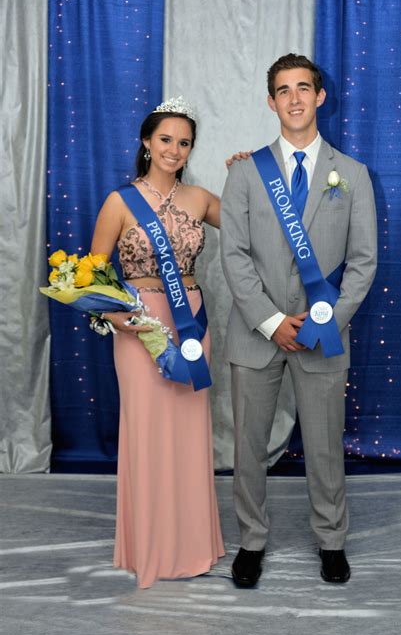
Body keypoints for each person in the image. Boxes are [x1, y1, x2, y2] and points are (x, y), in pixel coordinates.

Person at [220, 54, 377, 586]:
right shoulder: (244, 171)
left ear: (320, 96)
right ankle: (251, 540)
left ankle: (331, 540)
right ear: (270, 101)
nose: (294, 99)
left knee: (326, 444)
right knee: (249, 446)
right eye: (283, 90)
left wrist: (319, 323)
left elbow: (363, 262)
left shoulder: (352, 174)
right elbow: (235, 255)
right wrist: (270, 320)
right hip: (256, 333)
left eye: (303, 88)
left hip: (322, 334)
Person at [91, 97, 224, 588]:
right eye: (165, 139)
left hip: (191, 325)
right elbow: (92, 275)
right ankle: (148, 547)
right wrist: (115, 316)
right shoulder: (119, 201)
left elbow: (254, 228)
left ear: (190, 150)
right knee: (147, 435)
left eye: (184, 142)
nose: (174, 149)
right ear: (147, 142)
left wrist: (249, 173)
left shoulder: (202, 199)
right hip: (140, 328)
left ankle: (192, 546)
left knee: (189, 436)